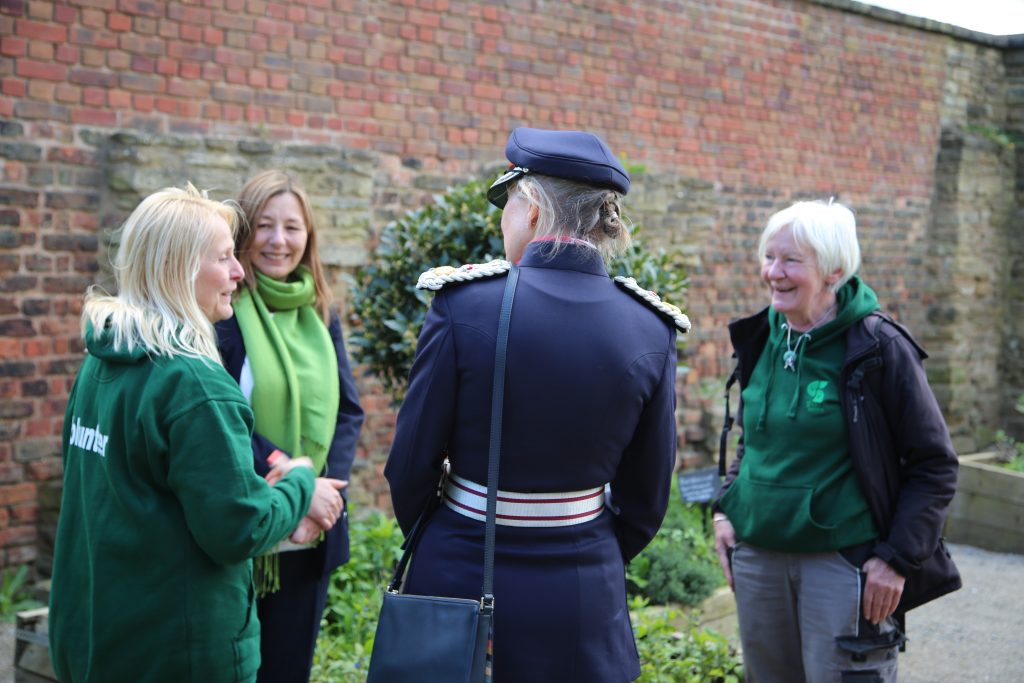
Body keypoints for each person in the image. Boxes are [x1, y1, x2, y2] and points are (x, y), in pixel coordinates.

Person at [384, 127, 690, 682]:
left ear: (529, 210)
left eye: (507, 204)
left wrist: (447, 536)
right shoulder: (650, 327)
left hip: (459, 573)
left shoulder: (463, 305)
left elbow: (408, 467)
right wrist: (589, 544)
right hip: (582, 588)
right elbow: (647, 497)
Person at [49, 185, 346, 683]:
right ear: (180, 268)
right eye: (225, 258)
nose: (238, 272)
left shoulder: (101, 363)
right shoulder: (195, 385)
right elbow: (239, 527)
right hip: (176, 649)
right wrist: (298, 482)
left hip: (95, 633)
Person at [712, 199, 961, 683]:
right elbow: (754, 440)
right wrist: (727, 507)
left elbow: (934, 465)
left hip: (842, 561)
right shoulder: (762, 337)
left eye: (791, 261)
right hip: (759, 555)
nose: (774, 273)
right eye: (769, 257)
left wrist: (896, 559)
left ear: (834, 271)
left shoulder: (878, 347)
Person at [215, 170, 365, 683]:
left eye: (292, 228)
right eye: (264, 225)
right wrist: (297, 488)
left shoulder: (322, 312)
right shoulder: (222, 311)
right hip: (248, 515)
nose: (279, 241)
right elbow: (221, 416)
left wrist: (323, 494)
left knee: (288, 669)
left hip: (311, 530)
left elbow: (348, 410)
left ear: (309, 237)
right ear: (241, 234)